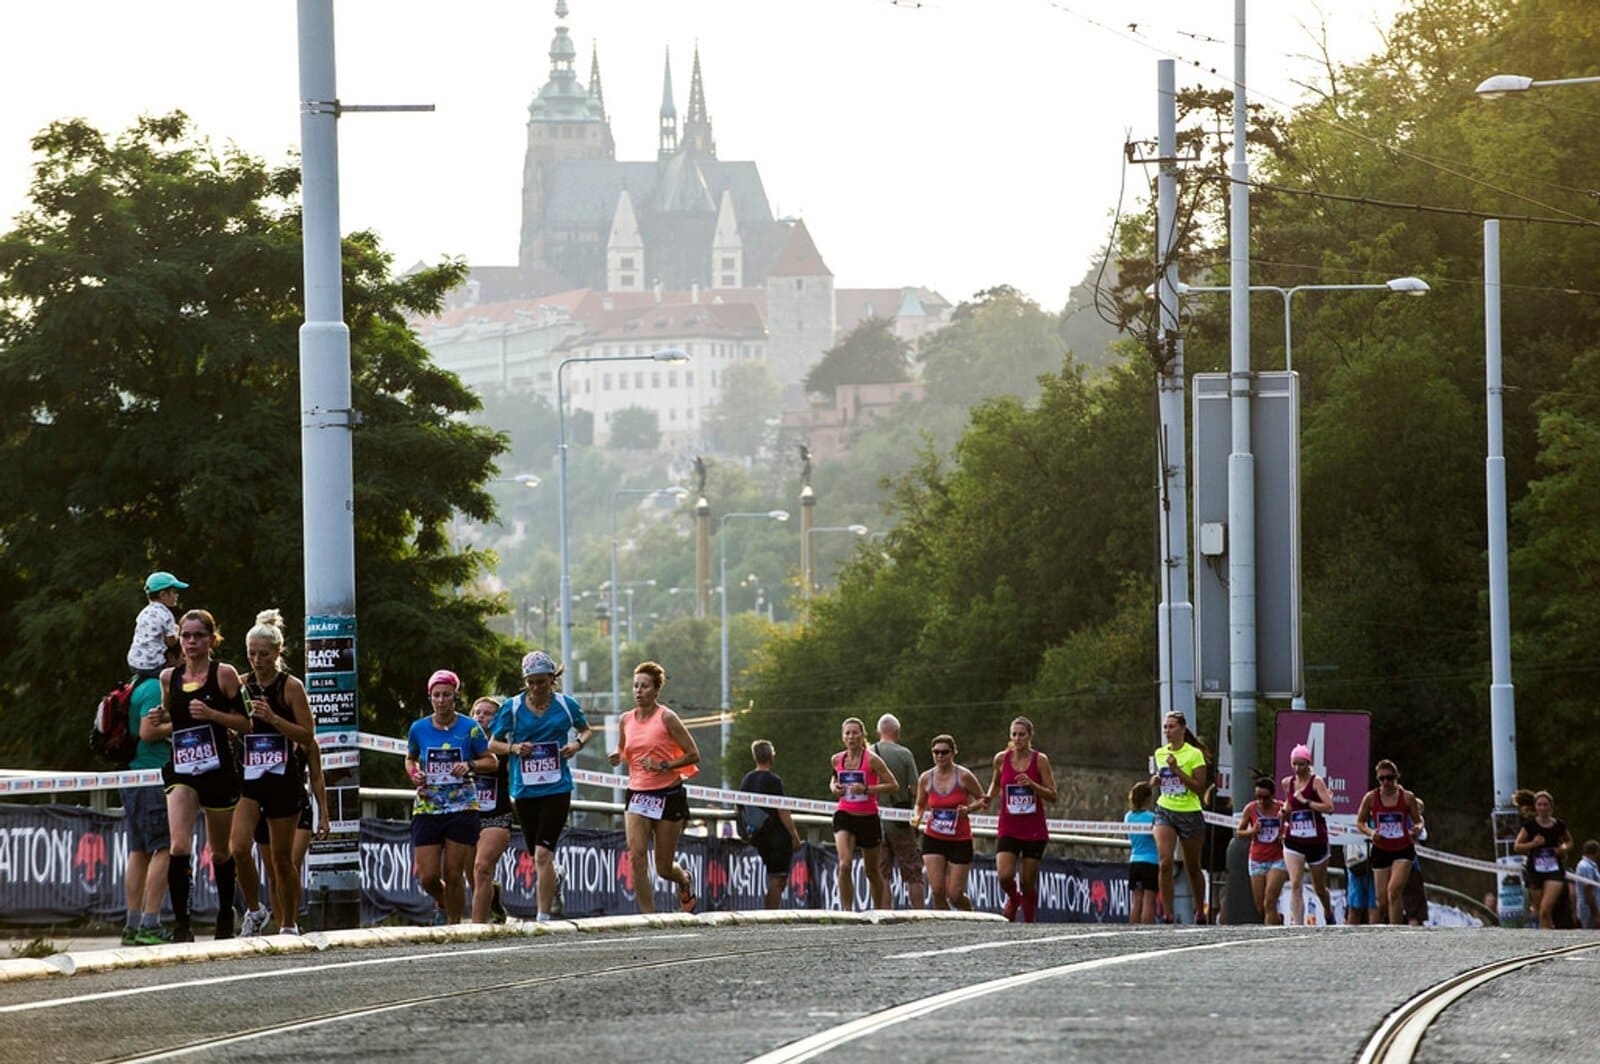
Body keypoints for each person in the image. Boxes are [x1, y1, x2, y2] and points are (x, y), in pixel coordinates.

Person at [154, 609, 251, 942]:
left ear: (212, 639)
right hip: (182, 767)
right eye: (186, 636)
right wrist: (159, 717)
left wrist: (211, 714)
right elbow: (170, 717)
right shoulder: (169, 678)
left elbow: (245, 722)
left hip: (217, 769)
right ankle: (182, 925)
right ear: (179, 639)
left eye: (198, 636)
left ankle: (225, 916)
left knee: (220, 851)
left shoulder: (224, 674)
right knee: (179, 844)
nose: (191, 642)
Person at [231, 610, 319, 937]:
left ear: (277, 654)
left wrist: (274, 719)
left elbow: (307, 736)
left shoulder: (291, 687)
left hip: (283, 780)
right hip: (250, 779)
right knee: (238, 847)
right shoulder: (241, 685)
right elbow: (233, 724)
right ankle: (256, 910)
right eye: (251, 654)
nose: (257, 660)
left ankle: (289, 924)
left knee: (282, 860)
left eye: (263, 654)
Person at [405, 669, 495, 925]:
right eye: (436, 695)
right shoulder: (418, 728)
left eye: (446, 695)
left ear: (456, 696)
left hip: (462, 806)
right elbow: (410, 758)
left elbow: (491, 761)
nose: (441, 700)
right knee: (428, 876)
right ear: (430, 697)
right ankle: (444, 900)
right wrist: (414, 773)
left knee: (453, 873)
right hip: (427, 806)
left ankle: (454, 925)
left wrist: (470, 766)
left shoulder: (470, 727)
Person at [609, 661, 700, 914]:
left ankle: (683, 879)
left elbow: (694, 755)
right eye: (635, 686)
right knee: (636, 856)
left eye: (645, 686)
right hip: (637, 793)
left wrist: (664, 765)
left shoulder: (667, 718)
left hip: (668, 793)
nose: (638, 691)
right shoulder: (625, 719)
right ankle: (649, 917)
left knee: (662, 866)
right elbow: (626, 749)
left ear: (656, 690)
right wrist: (618, 755)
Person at [986, 716, 1057, 923]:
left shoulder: (1040, 760)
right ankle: (1013, 898)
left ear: (1029, 736)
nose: (1017, 739)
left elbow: (1053, 795)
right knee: (1004, 876)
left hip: (1034, 829)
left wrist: (1033, 785)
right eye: (1014, 734)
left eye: (1022, 735)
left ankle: (1028, 922)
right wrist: (987, 798)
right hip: (1009, 826)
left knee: (1027, 881)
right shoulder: (1001, 759)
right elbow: (996, 783)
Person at [828, 716, 898, 913]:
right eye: (847, 733)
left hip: (868, 817)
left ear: (862, 736)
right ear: (843, 738)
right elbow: (833, 780)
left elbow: (893, 785)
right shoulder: (837, 759)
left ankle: (876, 910)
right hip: (844, 815)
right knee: (844, 865)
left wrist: (867, 789)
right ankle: (848, 912)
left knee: (872, 871)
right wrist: (835, 788)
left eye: (855, 733)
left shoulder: (873, 760)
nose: (851, 737)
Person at [122, 674, 172, 945]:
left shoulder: (137, 683)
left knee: (139, 851)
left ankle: (131, 925)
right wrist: (181, 725)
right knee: (164, 846)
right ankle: (149, 923)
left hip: (133, 776)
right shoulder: (154, 687)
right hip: (152, 776)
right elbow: (148, 731)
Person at [913, 734, 985, 911]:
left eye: (944, 752)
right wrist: (917, 817)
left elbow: (982, 800)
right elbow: (920, 804)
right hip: (934, 837)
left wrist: (969, 809)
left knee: (955, 895)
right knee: (937, 890)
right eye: (936, 752)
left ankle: (971, 917)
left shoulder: (964, 776)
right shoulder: (926, 778)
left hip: (959, 839)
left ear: (953, 753)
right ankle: (943, 930)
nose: (939, 756)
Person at [1150, 711, 1208, 924]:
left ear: (1182, 729)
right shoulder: (1159, 753)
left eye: (1172, 727)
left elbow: (1199, 787)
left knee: (1193, 867)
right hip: (1165, 809)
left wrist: (1177, 771)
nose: (1167, 731)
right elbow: (1162, 779)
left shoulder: (1194, 754)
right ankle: (1167, 913)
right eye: (1165, 727)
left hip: (1189, 812)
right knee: (1165, 862)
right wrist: (1157, 780)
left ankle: (1200, 911)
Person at [1354, 759, 1425, 925]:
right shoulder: (1371, 798)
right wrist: (1371, 833)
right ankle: (1390, 921)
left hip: (1403, 849)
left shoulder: (1407, 798)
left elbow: (1417, 820)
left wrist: (1417, 828)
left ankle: (1395, 932)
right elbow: (1359, 822)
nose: (1386, 782)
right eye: (1381, 779)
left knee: (1394, 890)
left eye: (1389, 778)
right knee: (1382, 900)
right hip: (1381, 849)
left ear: (1397, 777)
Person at [739, 739, 805, 909]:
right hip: (776, 838)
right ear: (771, 756)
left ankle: (768, 912)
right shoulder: (774, 780)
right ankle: (771, 914)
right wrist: (794, 836)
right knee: (778, 878)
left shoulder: (747, 779)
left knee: (769, 878)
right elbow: (782, 810)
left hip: (757, 836)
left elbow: (739, 806)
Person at [469, 696, 514, 924]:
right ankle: (493, 896)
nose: (481, 716)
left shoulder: (505, 747)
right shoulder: (463, 743)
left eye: (487, 713)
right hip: (467, 815)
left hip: (497, 815)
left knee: (482, 866)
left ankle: (476, 929)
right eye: (477, 712)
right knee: (473, 875)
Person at [872, 713, 924, 910]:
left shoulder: (868, 754)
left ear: (879, 731)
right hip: (901, 821)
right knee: (912, 871)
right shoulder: (905, 754)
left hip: (875, 822)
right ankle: (919, 915)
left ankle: (884, 914)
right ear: (897, 732)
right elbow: (916, 789)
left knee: (882, 872)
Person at [1281, 743, 1335, 926]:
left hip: (1316, 841)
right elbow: (1289, 806)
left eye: (1301, 764)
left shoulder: (1316, 782)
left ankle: (1328, 911)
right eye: (1294, 764)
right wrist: (1284, 812)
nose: (1297, 768)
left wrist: (1307, 801)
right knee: (1295, 883)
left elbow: (1329, 808)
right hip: (1293, 839)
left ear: (1308, 764)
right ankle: (1298, 925)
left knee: (1319, 887)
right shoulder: (1287, 783)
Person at [1513, 789, 1573, 930]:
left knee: (1546, 908)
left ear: (1551, 806)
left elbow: (1569, 842)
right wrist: (1533, 844)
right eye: (1539, 805)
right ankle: (1547, 940)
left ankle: (1550, 933)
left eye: (1545, 805)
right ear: (1535, 807)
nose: (1542, 808)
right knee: (1541, 911)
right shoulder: (1530, 826)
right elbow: (1517, 846)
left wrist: (1562, 849)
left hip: (1554, 870)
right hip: (1535, 870)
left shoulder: (1558, 825)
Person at [1235, 776, 1288, 926]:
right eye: (1258, 797)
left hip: (1277, 859)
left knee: (1269, 901)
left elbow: (1290, 828)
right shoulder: (1251, 808)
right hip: (1257, 859)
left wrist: (1283, 835)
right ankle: (1277, 920)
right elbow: (1239, 832)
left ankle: (1270, 940)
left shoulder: (1281, 808)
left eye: (1265, 797)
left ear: (1272, 795)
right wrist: (1252, 831)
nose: (1261, 801)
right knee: (1260, 906)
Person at [128, 571, 186, 679]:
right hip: (153, 665)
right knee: (176, 678)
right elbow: (172, 642)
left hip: (134, 663)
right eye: (174, 592)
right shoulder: (166, 615)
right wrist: (177, 632)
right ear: (163, 594)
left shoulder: (144, 612)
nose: (177, 595)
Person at [1124, 781, 1158, 925]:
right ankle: (1147, 932)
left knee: (1136, 900)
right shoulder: (1152, 818)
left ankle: (1133, 930)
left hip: (1134, 861)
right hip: (1151, 861)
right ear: (1148, 798)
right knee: (1149, 900)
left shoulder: (1128, 817)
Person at [1342, 836, 1380, 926]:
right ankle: (1350, 937)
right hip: (1356, 859)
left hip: (1371, 858)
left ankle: (1373, 937)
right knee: (1356, 907)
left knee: (1372, 905)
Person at [1574, 840, 1600, 931]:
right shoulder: (1585, 866)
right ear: (1596, 851)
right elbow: (1588, 891)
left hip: (1593, 907)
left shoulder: (1591, 865)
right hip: (1589, 909)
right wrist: (1596, 914)